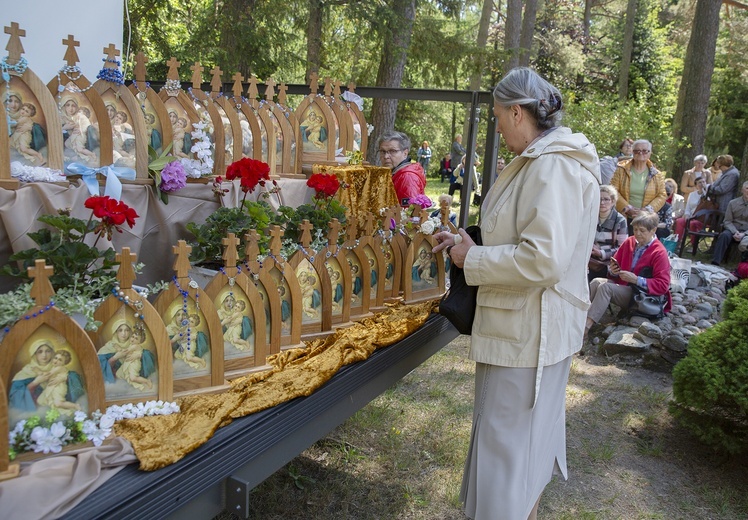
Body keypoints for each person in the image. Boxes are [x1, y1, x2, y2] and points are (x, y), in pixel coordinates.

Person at [433, 67, 600, 520]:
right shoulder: (543, 161)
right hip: (523, 328)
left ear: (515, 110)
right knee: (514, 451)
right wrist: (467, 242)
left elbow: (543, 260)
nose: (498, 125)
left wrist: (474, 261)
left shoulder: (553, 165)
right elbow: (525, 236)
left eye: (498, 115)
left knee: (509, 456)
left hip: (529, 335)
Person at [586, 211, 672, 336]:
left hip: (642, 295)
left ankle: (586, 326)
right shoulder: (630, 242)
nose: (637, 233)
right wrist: (613, 271)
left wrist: (637, 279)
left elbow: (663, 285)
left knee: (606, 288)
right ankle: (579, 316)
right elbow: (614, 265)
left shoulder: (659, 252)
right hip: (626, 286)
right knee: (596, 282)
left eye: (642, 230)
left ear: (653, 230)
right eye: (635, 229)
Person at [610, 139, 667, 225]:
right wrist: (628, 208)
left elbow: (662, 195)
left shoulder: (656, 174)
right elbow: (613, 190)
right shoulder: (621, 170)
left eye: (644, 151)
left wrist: (647, 210)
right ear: (632, 152)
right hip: (623, 217)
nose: (640, 153)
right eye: (637, 151)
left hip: (647, 220)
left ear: (650, 153)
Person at [589, 185, 628, 282]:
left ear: (613, 201)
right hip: (588, 261)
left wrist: (601, 252)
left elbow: (622, 249)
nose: (602, 202)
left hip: (607, 265)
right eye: (599, 199)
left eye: (606, 199)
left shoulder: (620, 220)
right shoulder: (590, 216)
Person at [377, 130, 426, 206]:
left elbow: (410, 213)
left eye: (392, 151)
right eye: (383, 151)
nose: (386, 156)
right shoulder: (396, 172)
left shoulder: (407, 177)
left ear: (405, 153)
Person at [9, 341, 55, 411]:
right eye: (40, 352)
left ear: (52, 353)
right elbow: (15, 397)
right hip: (32, 413)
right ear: (34, 354)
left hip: (53, 410)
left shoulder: (58, 369)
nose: (44, 355)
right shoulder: (26, 372)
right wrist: (36, 382)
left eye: (48, 351)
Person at [711, 181, 748, 266]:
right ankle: (715, 262)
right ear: (742, 190)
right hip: (733, 230)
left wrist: (744, 234)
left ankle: (744, 266)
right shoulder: (733, 203)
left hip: (746, 232)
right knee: (724, 235)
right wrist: (735, 232)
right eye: (747, 188)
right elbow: (727, 221)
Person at [674, 177, 708, 243]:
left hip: (701, 219)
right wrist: (687, 215)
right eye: (699, 183)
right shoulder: (692, 195)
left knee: (693, 223)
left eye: (703, 182)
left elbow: (708, 202)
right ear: (696, 186)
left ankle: (693, 244)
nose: (702, 184)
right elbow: (688, 208)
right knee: (679, 221)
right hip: (691, 216)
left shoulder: (707, 194)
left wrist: (705, 190)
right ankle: (677, 242)